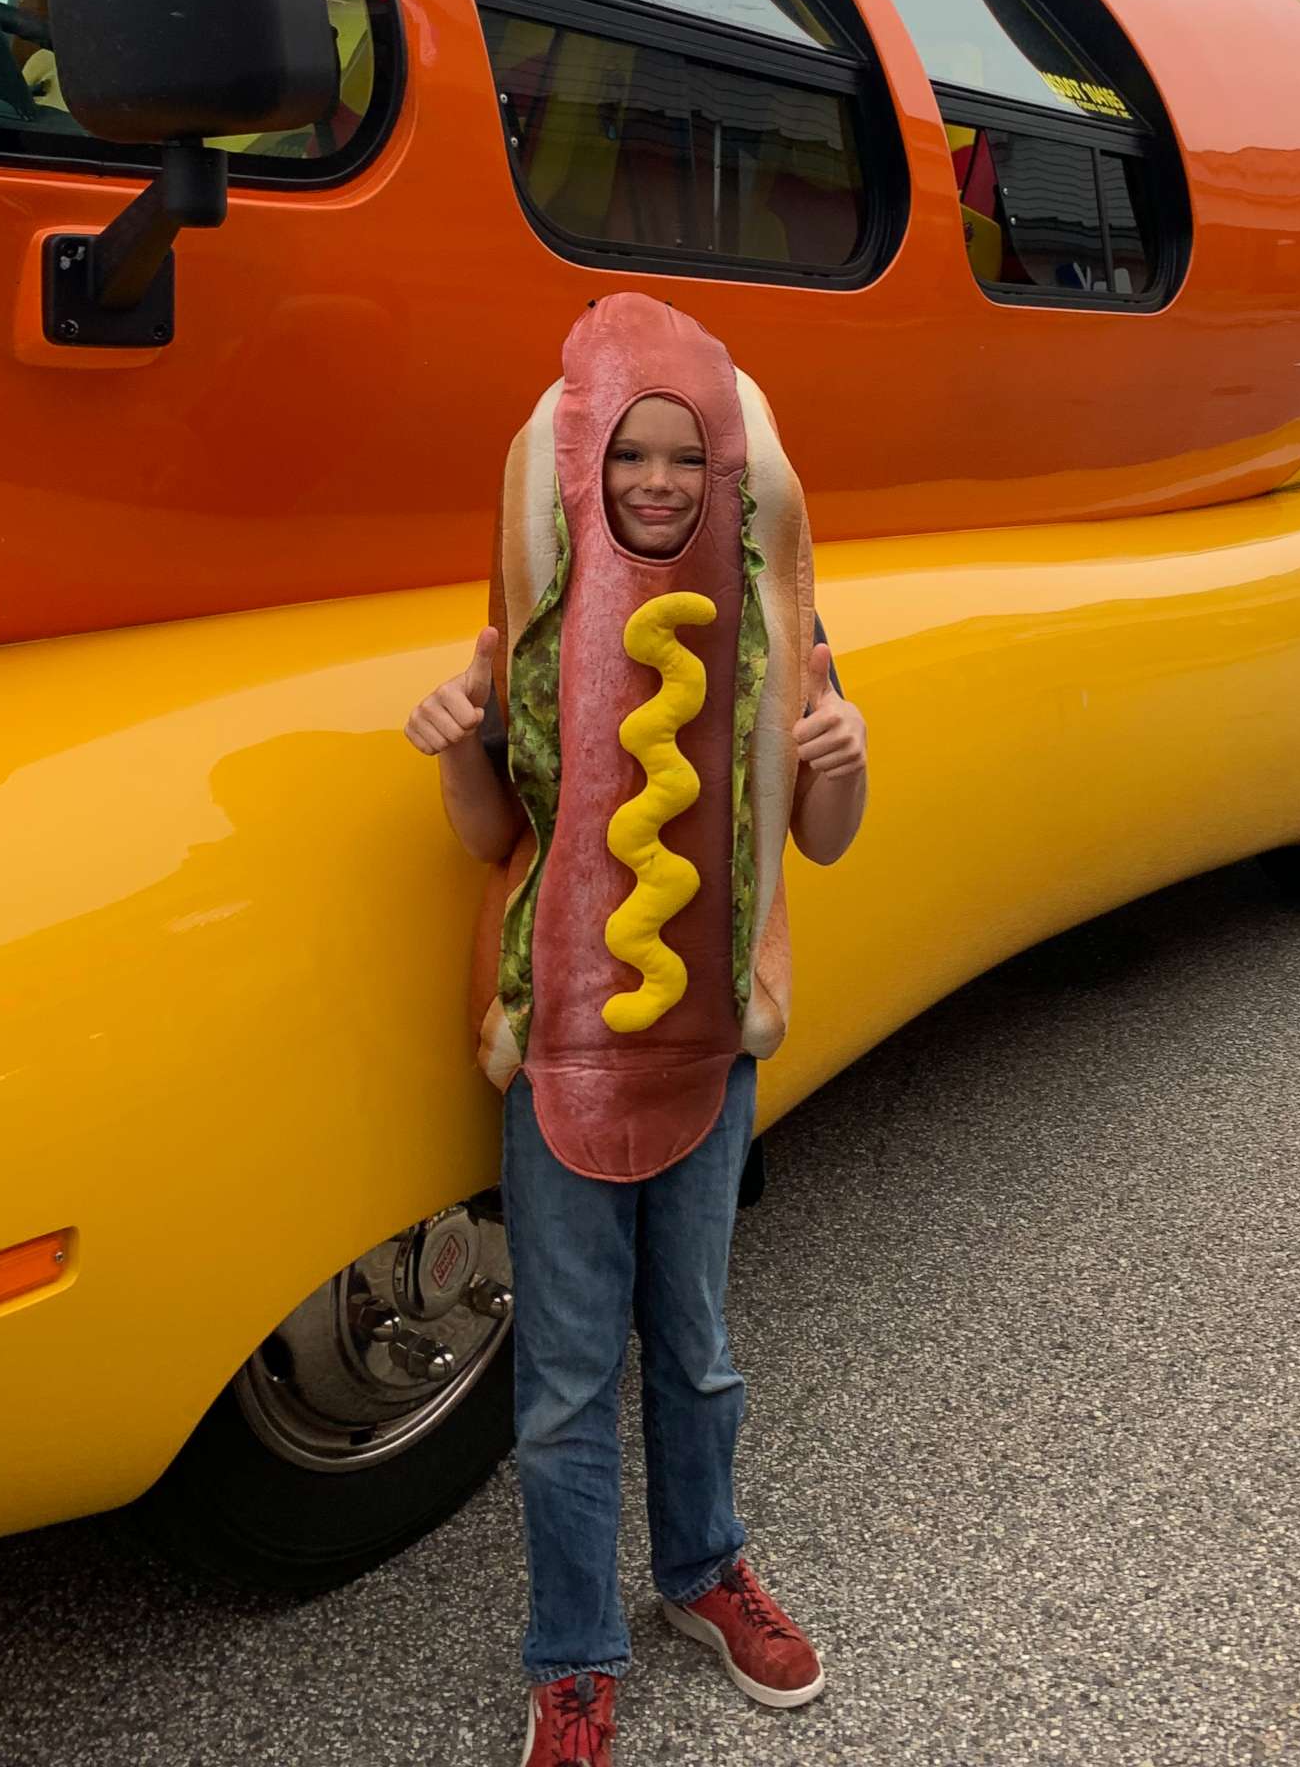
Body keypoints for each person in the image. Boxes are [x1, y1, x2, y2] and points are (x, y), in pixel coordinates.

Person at [405, 295, 867, 1767]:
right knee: (557, 1382)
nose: (658, 481)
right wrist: (458, 744)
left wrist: (844, 753)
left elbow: (828, 835)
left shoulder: (788, 629)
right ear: (583, 470)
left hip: (710, 1048)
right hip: (559, 1051)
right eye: (630, 456)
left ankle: (703, 1570)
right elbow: (492, 832)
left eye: (687, 457)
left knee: (702, 1349)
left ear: (726, 471)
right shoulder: (523, 636)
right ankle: (570, 1657)